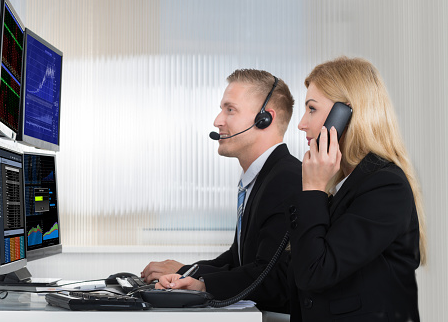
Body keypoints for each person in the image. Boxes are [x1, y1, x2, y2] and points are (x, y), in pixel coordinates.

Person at [141, 69, 302, 313]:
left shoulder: (286, 179)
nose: (218, 120)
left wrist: (201, 286)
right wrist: (186, 273)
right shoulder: (263, 176)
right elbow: (237, 260)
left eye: (230, 109)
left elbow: (272, 276)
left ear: (264, 119)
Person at [289, 57, 426, 321]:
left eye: (312, 109)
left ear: (345, 114)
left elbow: (316, 271)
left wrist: (313, 189)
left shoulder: (386, 185)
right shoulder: (340, 184)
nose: (302, 123)